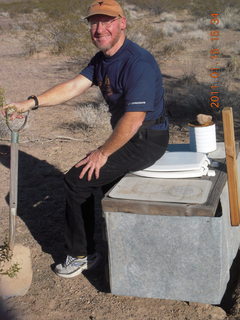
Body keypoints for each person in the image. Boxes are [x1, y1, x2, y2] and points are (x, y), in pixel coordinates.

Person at [2, 0, 169, 278]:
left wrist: (103, 152)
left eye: (107, 21)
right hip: (130, 134)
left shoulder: (137, 62)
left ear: (122, 23)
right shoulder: (103, 59)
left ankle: (81, 255)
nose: (99, 28)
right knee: (98, 184)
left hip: (146, 138)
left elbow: (134, 119)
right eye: (94, 22)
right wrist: (30, 102)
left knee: (76, 181)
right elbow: (74, 86)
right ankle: (108, 239)